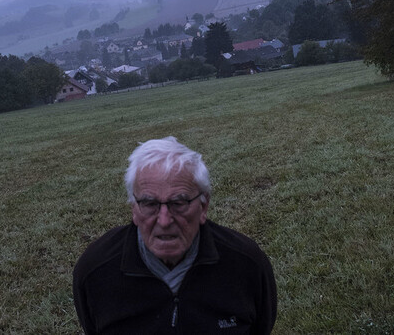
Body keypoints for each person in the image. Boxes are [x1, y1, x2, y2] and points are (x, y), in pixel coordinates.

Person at [73, 136, 277, 334]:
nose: (164, 221)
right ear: (134, 209)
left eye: (179, 204)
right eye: (150, 204)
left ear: (203, 206)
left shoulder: (247, 264)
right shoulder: (95, 271)